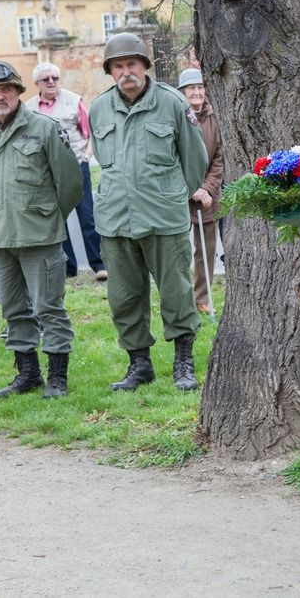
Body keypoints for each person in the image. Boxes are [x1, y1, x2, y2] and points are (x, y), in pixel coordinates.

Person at [89, 33, 208, 392]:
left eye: (132, 64)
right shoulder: (98, 108)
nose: (127, 72)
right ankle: (139, 363)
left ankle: (183, 361)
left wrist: (177, 197)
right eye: (119, 66)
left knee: (176, 291)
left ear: (145, 67)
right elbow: (101, 156)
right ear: (110, 71)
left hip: (163, 216)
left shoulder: (172, 103)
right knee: (125, 296)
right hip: (116, 219)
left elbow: (195, 158)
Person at [0, 61, 83, 398]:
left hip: (40, 236)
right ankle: (28, 373)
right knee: (13, 308)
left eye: (6, 89)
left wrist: (47, 218)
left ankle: (58, 377)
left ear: (18, 92)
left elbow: (71, 184)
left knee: (49, 307)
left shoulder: (44, 128)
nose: (0, 96)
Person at [27, 63, 107, 281]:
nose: (51, 82)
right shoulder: (29, 108)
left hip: (75, 167)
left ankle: (99, 263)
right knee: (56, 219)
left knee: (87, 215)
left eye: (55, 77)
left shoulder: (74, 101)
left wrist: (85, 157)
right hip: (47, 171)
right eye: (46, 79)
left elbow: (91, 133)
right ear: (37, 84)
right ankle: (67, 266)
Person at [177, 68, 224, 315]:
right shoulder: (177, 116)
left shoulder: (215, 118)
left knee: (206, 248)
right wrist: (190, 187)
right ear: (183, 93)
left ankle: (201, 297)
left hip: (207, 195)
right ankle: (179, 296)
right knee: (177, 248)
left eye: (200, 87)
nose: (196, 92)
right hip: (178, 192)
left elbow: (219, 159)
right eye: (190, 89)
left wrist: (206, 188)